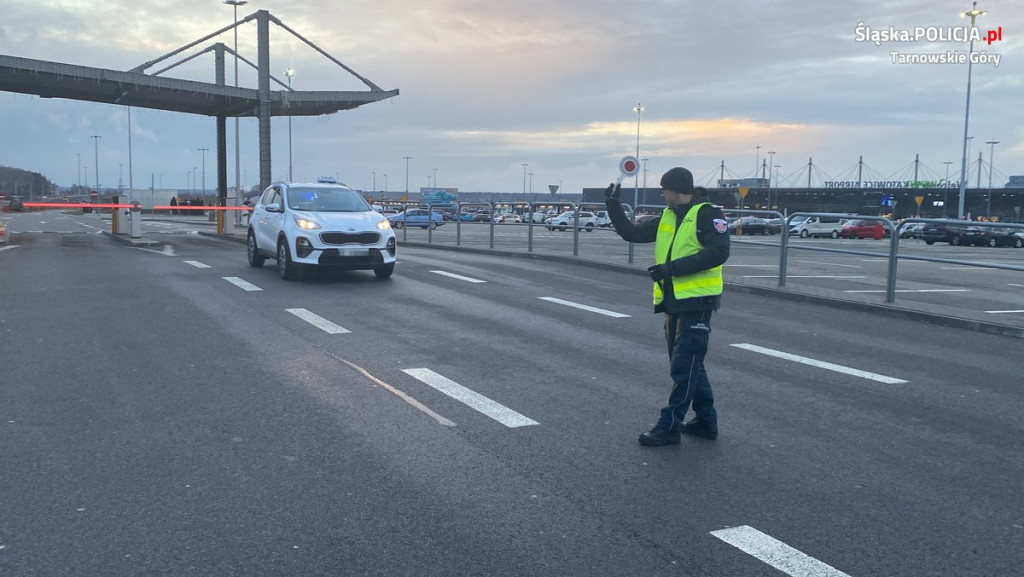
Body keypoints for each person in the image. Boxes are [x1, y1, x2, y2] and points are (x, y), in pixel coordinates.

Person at [604, 167, 730, 446]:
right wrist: (612, 205)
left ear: (676, 189)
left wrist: (671, 269)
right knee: (688, 363)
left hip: (697, 301)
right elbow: (631, 233)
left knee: (684, 367)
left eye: (664, 189)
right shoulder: (667, 217)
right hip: (673, 302)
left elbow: (719, 252)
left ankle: (669, 426)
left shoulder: (708, 214)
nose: (661, 193)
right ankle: (706, 421)